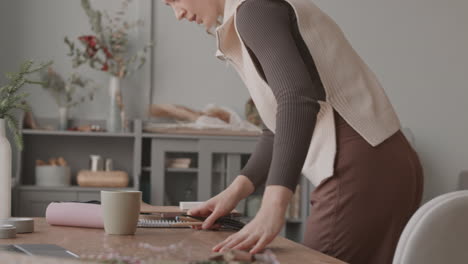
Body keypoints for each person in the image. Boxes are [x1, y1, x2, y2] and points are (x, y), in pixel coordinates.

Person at [162, 0, 424, 263]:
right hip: (385, 162)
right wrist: (234, 193)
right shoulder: (256, 9)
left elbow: (297, 100)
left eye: (174, 0)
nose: (178, 14)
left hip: (359, 170)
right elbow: (277, 125)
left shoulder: (253, 11)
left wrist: (273, 207)